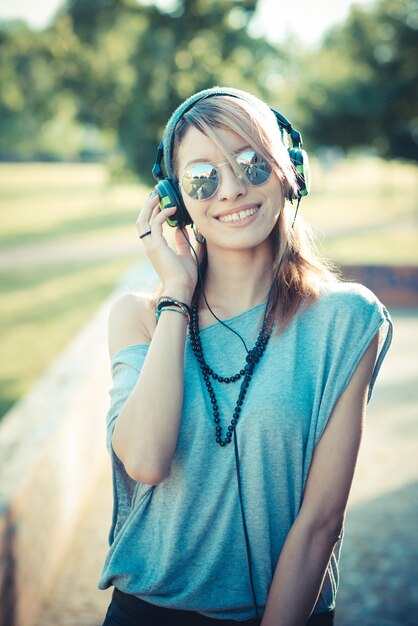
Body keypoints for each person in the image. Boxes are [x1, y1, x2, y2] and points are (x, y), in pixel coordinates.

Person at [98, 87, 392, 626]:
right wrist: (177, 294)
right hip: (145, 611)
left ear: (289, 172)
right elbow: (145, 460)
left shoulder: (347, 321)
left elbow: (321, 521)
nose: (231, 190)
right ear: (172, 198)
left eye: (251, 163)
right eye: (202, 177)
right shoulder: (139, 316)